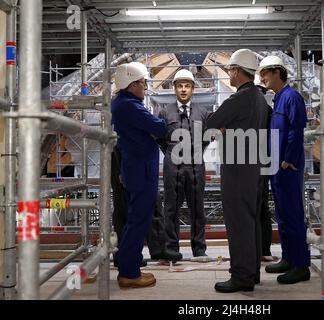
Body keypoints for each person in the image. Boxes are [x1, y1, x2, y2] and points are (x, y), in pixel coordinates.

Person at [206, 49, 270, 293]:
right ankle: (251, 272)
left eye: (230, 70)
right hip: (253, 167)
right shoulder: (259, 98)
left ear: (236, 71)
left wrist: (222, 126)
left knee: (238, 223)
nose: (229, 75)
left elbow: (211, 123)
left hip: (237, 168)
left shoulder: (238, 99)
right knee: (251, 220)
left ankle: (241, 276)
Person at [111, 61, 166, 289]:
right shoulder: (129, 106)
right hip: (141, 172)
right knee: (137, 221)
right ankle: (129, 273)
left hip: (136, 169)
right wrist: (157, 127)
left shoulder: (123, 103)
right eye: (142, 83)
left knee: (136, 220)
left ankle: (129, 267)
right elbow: (160, 127)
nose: (145, 87)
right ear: (131, 84)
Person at [258, 56, 311, 284]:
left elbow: (296, 130)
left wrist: (288, 159)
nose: (263, 78)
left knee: (293, 215)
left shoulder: (291, 97)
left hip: (288, 166)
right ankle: (289, 258)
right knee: (283, 215)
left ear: (277, 72)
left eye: (265, 74)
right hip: (277, 167)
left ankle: (301, 265)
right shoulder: (278, 98)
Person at [158, 69, 211, 260]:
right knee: (171, 208)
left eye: (187, 86)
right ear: (174, 89)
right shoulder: (164, 112)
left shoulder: (203, 113)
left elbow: (206, 139)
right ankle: (171, 249)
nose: (183, 90)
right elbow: (161, 140)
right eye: (179, 86)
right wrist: (173, 154)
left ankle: (199, 249)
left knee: (198, 208)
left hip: (196, 166)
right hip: (173, 167)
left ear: (193, 89)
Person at [111, 146, 182, 268]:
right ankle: (126, 255)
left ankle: (153, 249)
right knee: (126, 203)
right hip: (128, 146)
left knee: (142, 200)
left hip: (131, 146)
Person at [254, 74, 275, 262]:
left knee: (257, 207)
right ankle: (263, 251)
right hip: (263, 163)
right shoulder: (267, 110)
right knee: (262, 208)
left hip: (257, 164)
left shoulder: (262, 111)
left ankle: (260, 250)